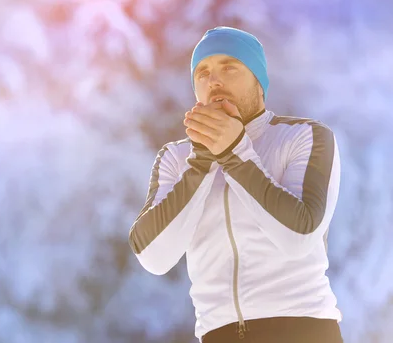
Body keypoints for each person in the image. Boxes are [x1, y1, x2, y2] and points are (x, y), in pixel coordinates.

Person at [128, 27, 344, 343]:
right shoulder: (177, 158)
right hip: (219, 334)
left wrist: (234, 152)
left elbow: (298, 236)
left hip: (303, 329)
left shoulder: (304, 137)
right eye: (202, 73)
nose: (214, 80)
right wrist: (202, 161)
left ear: (258, 81)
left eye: (229, 67)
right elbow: (153, 256)